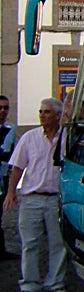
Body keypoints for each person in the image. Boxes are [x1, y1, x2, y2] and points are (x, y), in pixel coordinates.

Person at [3, 98, 68, 292]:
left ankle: (56, 282)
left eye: (47, 112)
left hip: (56, 199)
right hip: (32, 197)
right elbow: (17, 167)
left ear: (58, 115)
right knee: (29, 243)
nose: (42, 115)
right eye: (40, 111)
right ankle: (29, 285)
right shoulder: (30, 138)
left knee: (58, 243)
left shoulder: (66, 138)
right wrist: (11, 192)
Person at [0, 96, 17, 260]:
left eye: (5, 108)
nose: (3, 111)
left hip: (3, 177)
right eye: (0, 108)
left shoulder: (10, 129)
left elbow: (13, 152)